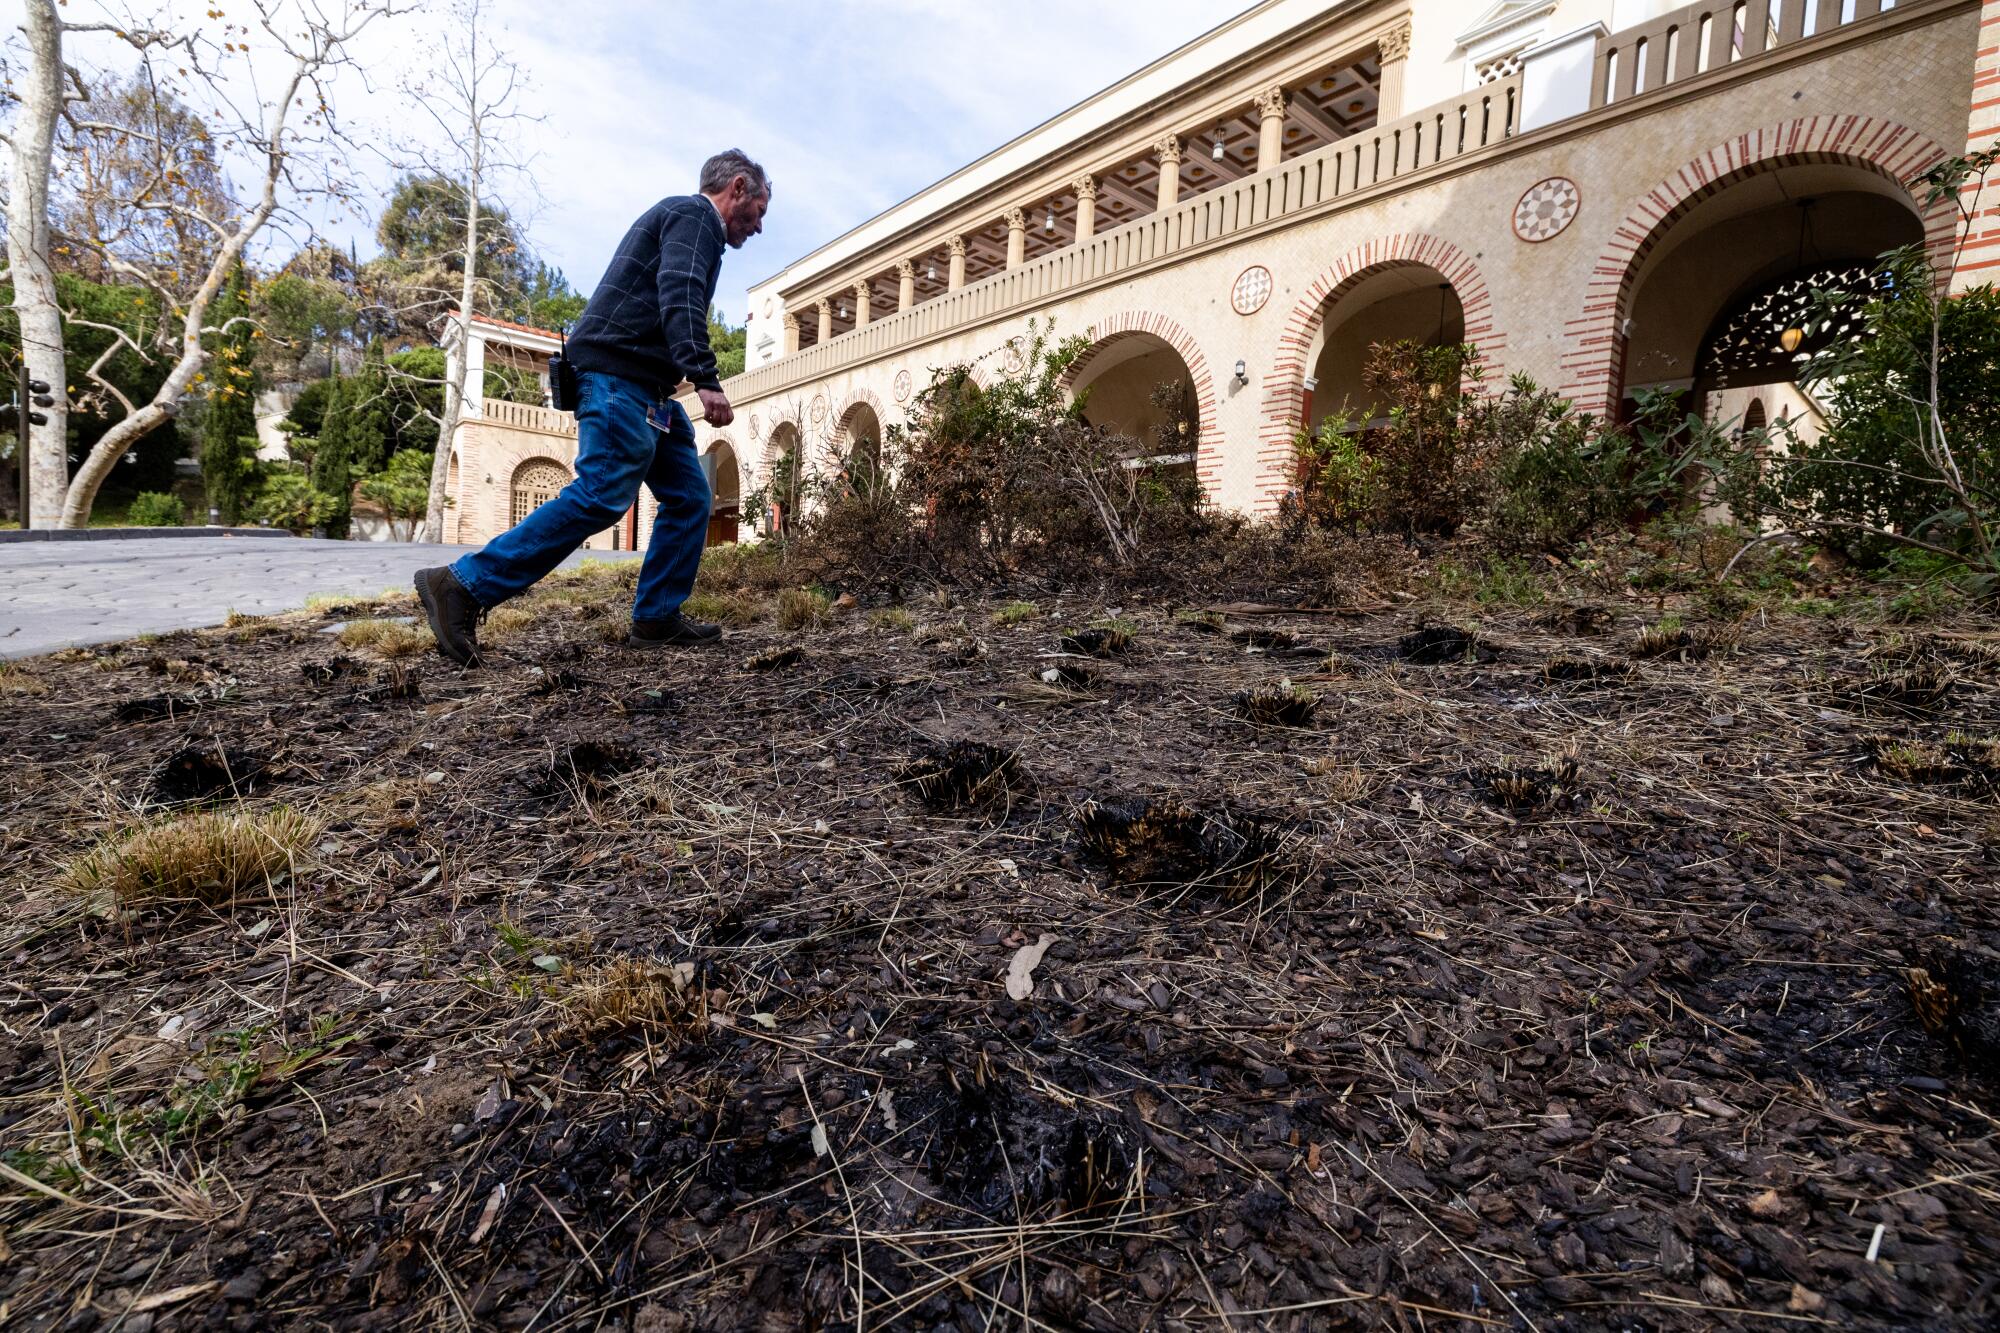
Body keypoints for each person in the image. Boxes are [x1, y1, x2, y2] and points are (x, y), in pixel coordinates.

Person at [414, 149, 771, 667]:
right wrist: (706, 377)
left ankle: (656, 618)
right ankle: (462, 586)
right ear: (737, 187)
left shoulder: (686, 223)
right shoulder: (696, 217)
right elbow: (681, 295)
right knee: (602, 495)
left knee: (690, 496)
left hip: (650, 392)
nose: (758, 228)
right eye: (758, 212)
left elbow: (672, 299)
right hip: (617, 377)